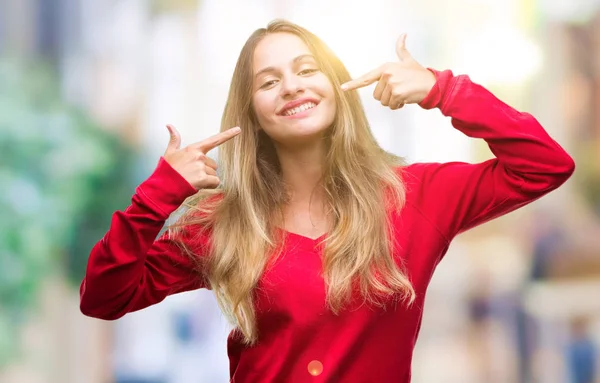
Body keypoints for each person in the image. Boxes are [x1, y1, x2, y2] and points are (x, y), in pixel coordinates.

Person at [80, 19, 575, 382]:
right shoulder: (224, 222)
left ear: (340, 88)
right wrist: (157, 195)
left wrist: (442, 90)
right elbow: (104, 297)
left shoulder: (415, 196)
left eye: (306, 69)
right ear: (252, 113)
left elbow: (545, 164)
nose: (291, 85)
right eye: (268, 81)